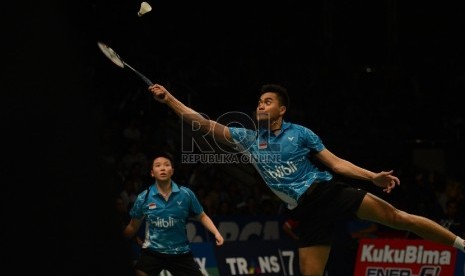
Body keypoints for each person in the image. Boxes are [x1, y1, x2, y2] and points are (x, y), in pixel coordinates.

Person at [148, 83, 465, 275]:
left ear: (282, 109)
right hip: (305, 213)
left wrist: (373, 177)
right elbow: (203, 123)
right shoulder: (245, 138)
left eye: (268, 101)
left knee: (398, 218)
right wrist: (169, 99)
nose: (261, 105)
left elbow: (336, 163)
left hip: (328, 193)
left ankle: (461, 244)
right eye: (259, 101)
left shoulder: (300, 133)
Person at [123, 151, 224, 276]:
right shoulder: (144, 198)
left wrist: (216, 233)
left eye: (167, 165)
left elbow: (201, 215)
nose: (163, 168)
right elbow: (132, 227)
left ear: (172, 171)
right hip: (152, 252)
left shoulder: (186, 194)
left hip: (180, 253)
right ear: (152, 173)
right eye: (158, 165)